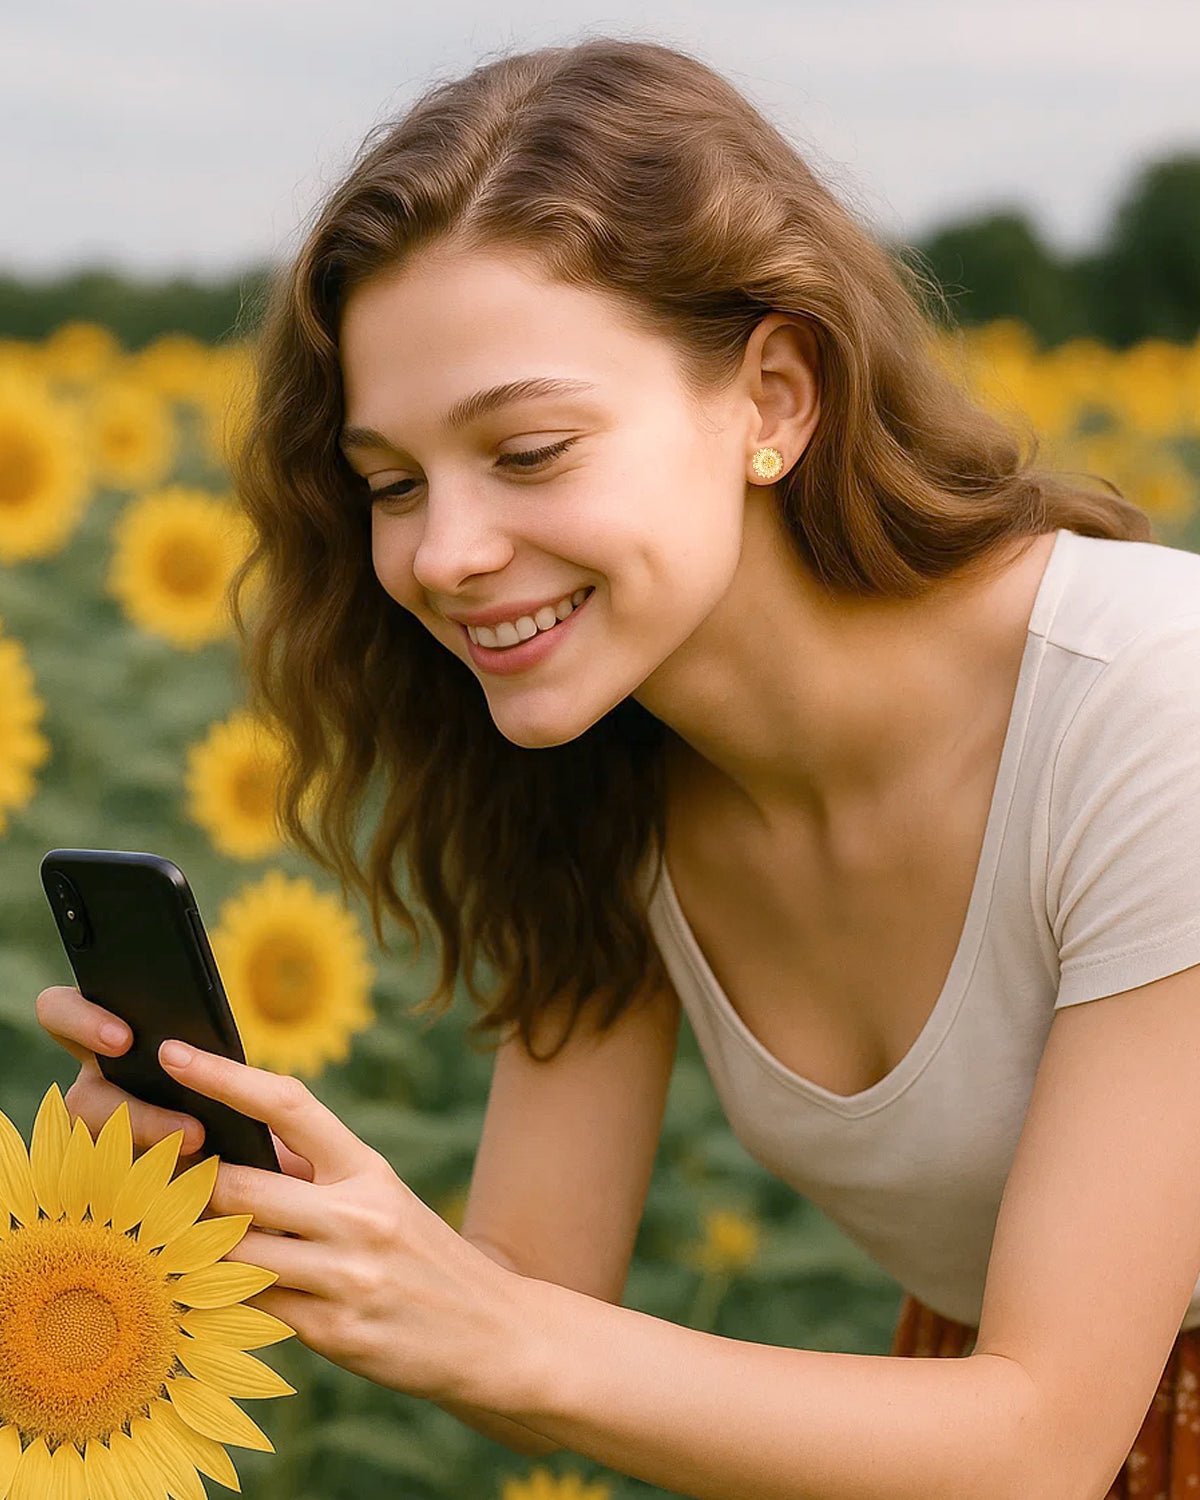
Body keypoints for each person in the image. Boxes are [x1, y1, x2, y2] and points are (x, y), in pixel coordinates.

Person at [37, 36, 1200, 1500]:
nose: (444, 553)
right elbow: (530, 1307)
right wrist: (311, 1224)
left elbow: (1038, 1437)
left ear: (774, 399)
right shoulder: (607, 772)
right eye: (391, 483)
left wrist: (495, 1326)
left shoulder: (1155, 709)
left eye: (527, 451)